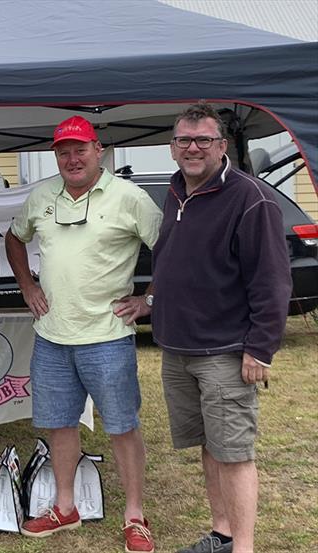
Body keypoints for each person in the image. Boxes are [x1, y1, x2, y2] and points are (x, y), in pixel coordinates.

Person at [5, 115, 161, 553]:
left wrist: (150, 299)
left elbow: (170, 246)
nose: (71, 158)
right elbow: (15, 239)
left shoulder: (129, 197)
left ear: (99, 151)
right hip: (53, 337)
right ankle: (65, 507)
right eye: (62, 152)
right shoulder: (43, 196)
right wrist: (27, 285)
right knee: (59, 425)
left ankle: (135, 514)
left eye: (79, 149)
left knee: (122, 426)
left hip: (108, 336)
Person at [150, 102, 291, 553]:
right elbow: (172, 261)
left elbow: (272, 281)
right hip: (179, 349)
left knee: (234, 452)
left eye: (203, 140)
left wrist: (261, 348)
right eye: (184, 140)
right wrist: (150, 300)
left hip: (225, 352)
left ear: (221, 145)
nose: (193, 148)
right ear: (172, 148)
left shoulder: (251, 199)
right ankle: (222, 534)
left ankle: (244, 546)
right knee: (210, 445)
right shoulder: (175, 192)